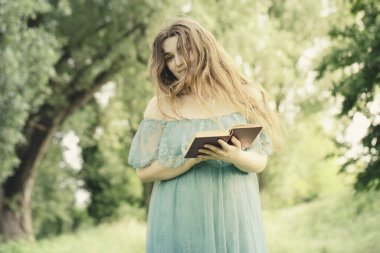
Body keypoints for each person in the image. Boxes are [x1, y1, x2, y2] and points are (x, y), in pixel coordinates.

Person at [128, 17, 283, 253]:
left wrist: (233, 156)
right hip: (178, 219)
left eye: (183, 51)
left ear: (203, 48)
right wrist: (190, 160)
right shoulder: (160, 106)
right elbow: (143, 172)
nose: (177, 62)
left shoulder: (245, 96)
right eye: (169, 57)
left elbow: (260, 161)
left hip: (234, 216)